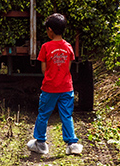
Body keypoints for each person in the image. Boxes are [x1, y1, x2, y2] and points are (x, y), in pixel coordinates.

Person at [27, 13, 83, 156]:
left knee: (44, 115)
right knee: (66, 115)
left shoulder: (46, 47)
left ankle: (40, 143)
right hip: (66, 87)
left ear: (50, 30)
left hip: (50, 88)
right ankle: (72, 144)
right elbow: (68, 67)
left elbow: (44, 69)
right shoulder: (68, 47)